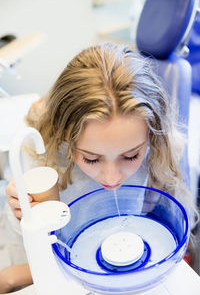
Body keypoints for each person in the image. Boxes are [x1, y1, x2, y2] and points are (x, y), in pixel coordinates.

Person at [0, 42, 193, 292]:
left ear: (151, 136)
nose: (112, 178)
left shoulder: (161, 149)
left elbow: (160, 222)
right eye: (91, 159)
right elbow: (24, 249)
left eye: (131, 156)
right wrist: (22, 214)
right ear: (66, 137)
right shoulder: (42, 152)